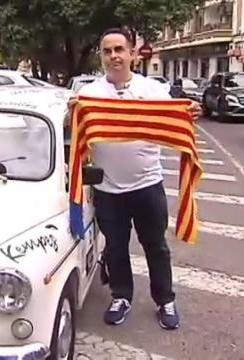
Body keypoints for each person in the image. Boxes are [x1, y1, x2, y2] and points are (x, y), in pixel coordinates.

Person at [72, 28, 201, 330]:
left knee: (155, 246)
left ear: (131, 53)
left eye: (119, 49)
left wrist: (188, 112)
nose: (114, 55)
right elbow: (75, 133)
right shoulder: (89, 95)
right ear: (101, 56)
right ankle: (121, 296)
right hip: (107, 189)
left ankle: (165, 300)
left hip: (147, 185)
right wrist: (72, 118)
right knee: (115, 247)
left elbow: (175, 116)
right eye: (107, 51)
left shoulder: (154, 91)